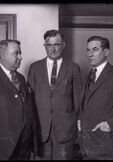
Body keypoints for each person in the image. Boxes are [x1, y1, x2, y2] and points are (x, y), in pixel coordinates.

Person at [27, 29, 82, 160]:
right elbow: (30, 101)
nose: (53, 49)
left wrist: (77, 128)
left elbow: (78, 102)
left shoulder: (73, 68)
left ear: (63, 45)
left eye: (56, 44)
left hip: (65, 130)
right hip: (41, 130)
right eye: (49, 45)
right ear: (44, 46)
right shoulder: (35, 68)